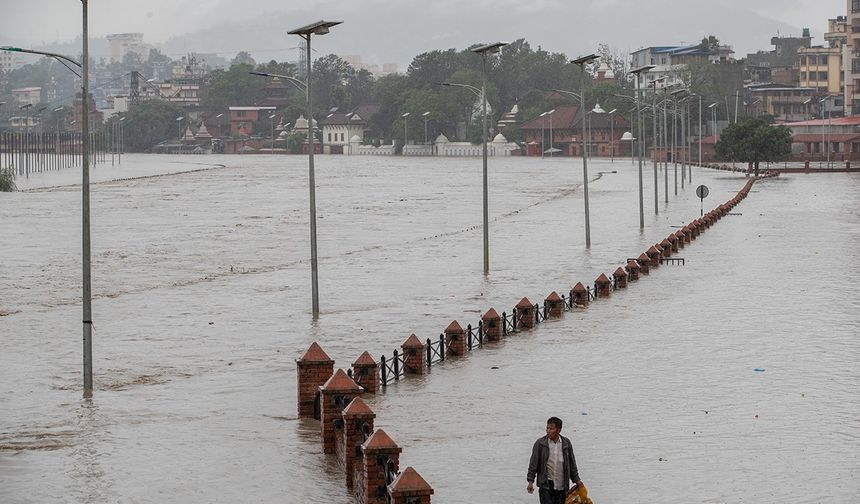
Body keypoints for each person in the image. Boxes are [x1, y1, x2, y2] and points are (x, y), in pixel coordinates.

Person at [527, 417, 583, 504]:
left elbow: (572, 464)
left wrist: (577, 480)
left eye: (551, 428)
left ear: (559, 430)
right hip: (546, 486)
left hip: (562, 487)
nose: (548, 431)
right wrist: (530, 482)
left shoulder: (566, 443)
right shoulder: (540, 444)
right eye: (547, 428)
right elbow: (533, 464)